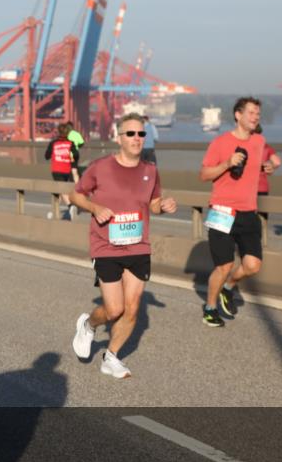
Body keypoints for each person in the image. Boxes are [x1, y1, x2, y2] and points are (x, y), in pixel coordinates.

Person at [69, 113, 177, 378]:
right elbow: (76, 195)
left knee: (133, 307)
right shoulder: (100, 167)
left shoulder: (150, 170)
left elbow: (153, 203)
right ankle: (89, 325)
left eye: (141, 134)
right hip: (106, 246)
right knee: (114, 309)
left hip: (138, 246)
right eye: (131, 133)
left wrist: (162, 206)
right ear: (119, 138)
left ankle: (111, 356)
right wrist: (95, 207)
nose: (137, 138)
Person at [198, 97, 267, 327]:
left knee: (252, 265)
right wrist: (227, 163)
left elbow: (265, 162)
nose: (255, 117)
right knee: (224, 265)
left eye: (258, 114)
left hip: (248, 212)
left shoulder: (259, 141)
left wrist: (270, 166)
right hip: (222, 211)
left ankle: (228, 287)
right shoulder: (220, 142)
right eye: (251, 113)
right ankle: (210, 307)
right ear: (238, 115)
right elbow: (204, 175)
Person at [45, 123, 80, 219]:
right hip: (67, 169)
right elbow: (76, 155)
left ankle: (70, 206)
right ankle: (53, 211)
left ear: (58, 132)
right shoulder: (71, 143)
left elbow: (46, 156)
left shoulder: (53, 143)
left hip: (56, 169)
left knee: (61, 190)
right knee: (60, 190)